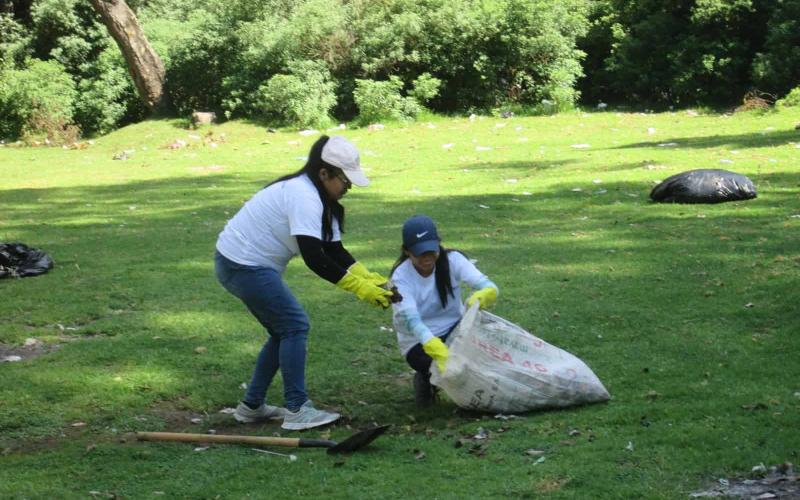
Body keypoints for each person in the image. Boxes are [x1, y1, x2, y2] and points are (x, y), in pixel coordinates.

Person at [214, 135, 395, 430]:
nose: (347, 188)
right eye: (344, 182)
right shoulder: (304, 195)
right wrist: (358, 288)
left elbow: (334, 250)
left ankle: (252, 406)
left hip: (245, 264)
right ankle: (297, 409)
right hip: (241, 264)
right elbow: (314, 257)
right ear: (324, 173)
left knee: (282, 331)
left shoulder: (323, 198)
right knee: (295, 325)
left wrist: (371, 279)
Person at [389, 214, 499, 407]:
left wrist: (485, 294)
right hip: (418, 341)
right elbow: (412, 320)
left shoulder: (453, 260)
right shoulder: (400, 277)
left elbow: (487, 285)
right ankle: (426, 379)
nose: (427, 258)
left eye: (431, 251)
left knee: (482, 360)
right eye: (420, 253)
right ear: (407, 252)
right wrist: (435, 348)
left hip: (453, 328)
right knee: (443, 369)